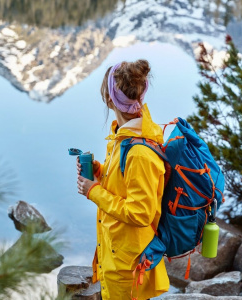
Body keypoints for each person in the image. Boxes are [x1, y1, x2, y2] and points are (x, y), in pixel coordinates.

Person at [76, 59, 170, 300]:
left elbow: (140, 213)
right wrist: (99, 171)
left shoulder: (138, 151)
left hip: (128, 264)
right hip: (117, 251)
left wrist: (94, 192)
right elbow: (125, 182)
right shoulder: (125, 136)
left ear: (109, 100)